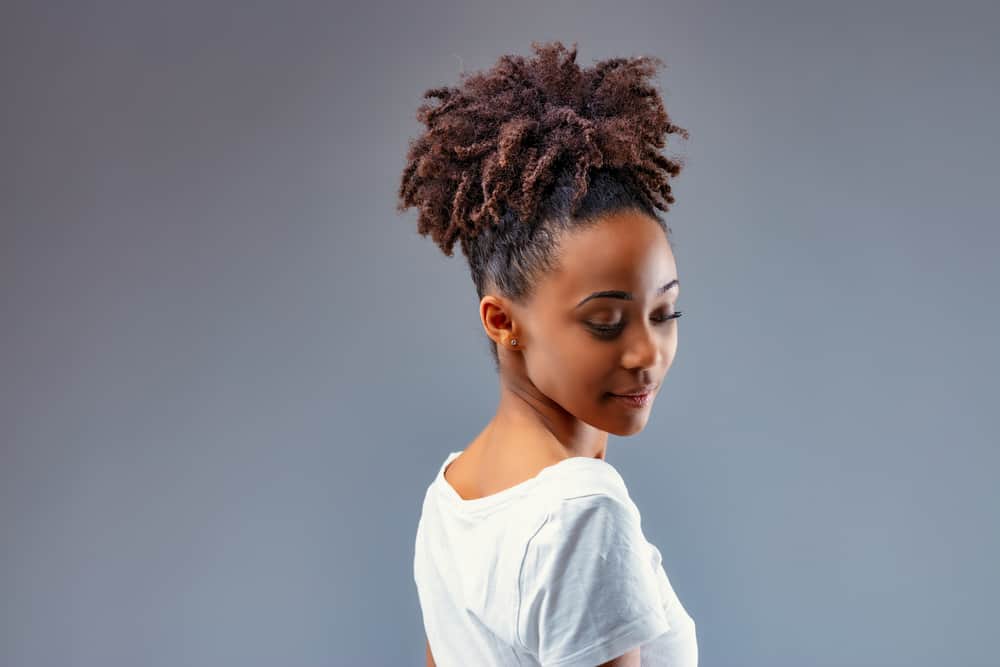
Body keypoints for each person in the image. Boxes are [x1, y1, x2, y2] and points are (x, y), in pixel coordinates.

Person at [399, 40, 698, 667]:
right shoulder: (581, 511)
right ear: (503, 321)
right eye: (605, 321)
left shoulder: (451, 494)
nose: (647, 351)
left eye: (665, 312)